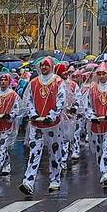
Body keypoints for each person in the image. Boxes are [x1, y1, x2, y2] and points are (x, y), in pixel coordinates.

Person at [18, 58, 74, 196]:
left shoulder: (58, 81)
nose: (44, 67)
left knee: (55, 152)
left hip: (53, 124)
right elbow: (28, 100)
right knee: (34, 153)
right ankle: (28, 181)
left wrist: (52, 115)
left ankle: (55, 179)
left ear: (51, 67)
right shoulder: (34, 82)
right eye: (42, 65)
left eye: (46, 65)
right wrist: (33, 114)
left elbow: (61, 100)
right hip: (36, 124)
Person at [80, 62, 107, 186]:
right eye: (99, 73)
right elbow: (87, 106)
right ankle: (103, 170)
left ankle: (106, 173)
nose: (101, 76)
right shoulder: (92, 89)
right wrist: (92, 117)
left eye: (103, 73)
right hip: (96, 125)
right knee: (99, 150)